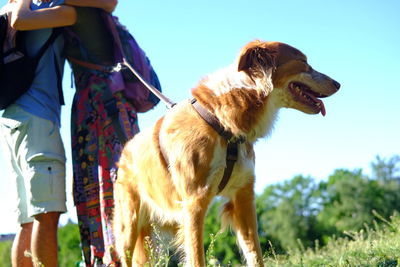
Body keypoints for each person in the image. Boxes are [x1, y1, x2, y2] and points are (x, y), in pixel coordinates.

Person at [62, 1, 140, 266]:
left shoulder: (73, 11)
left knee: (111, 184)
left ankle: (112, 259)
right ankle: (113, 257)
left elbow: (20, 20)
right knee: (111, 185)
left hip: (100, 106)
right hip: (108, 104)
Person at [0, 0, 76, 266]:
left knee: (27, 220)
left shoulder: (7, 9)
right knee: (47, 213)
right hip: (38, 118)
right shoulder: (46, 7)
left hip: (11, 119)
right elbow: (74, 14)